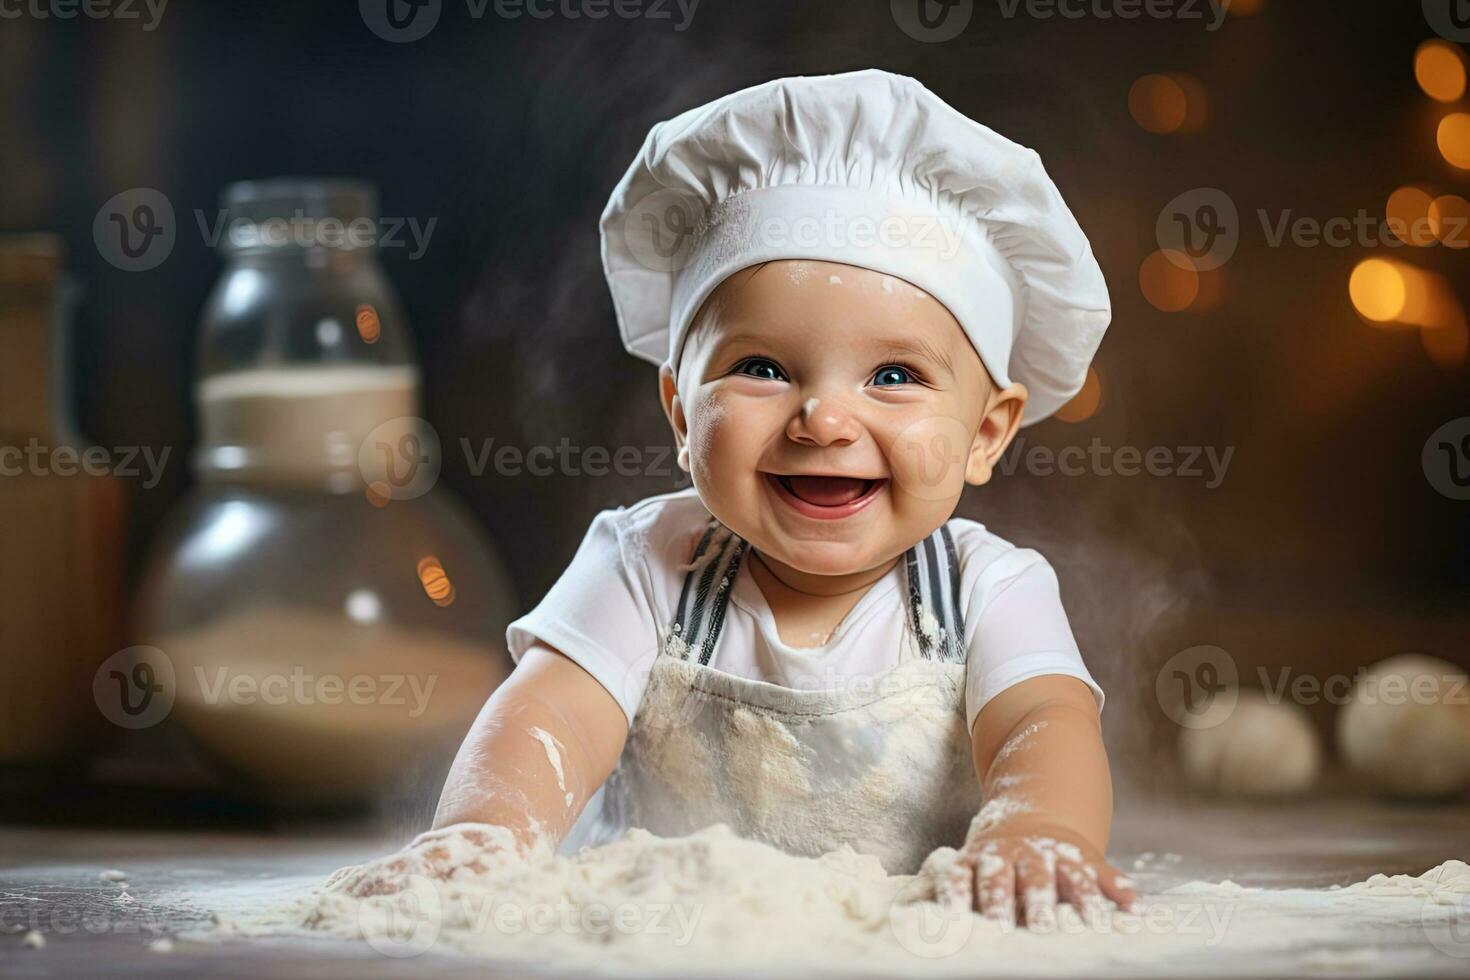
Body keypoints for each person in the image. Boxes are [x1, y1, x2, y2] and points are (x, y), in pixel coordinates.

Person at [332, 69, 1138, 927]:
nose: (825, 418)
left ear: (986, 432)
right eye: (762, 369)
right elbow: (553, 711)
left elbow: (1039, 724)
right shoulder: (644, 562)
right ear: (681, 411)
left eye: (894, 376)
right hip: (654, 936)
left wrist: (1036, 828)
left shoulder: (990, 590)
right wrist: (485, 830)